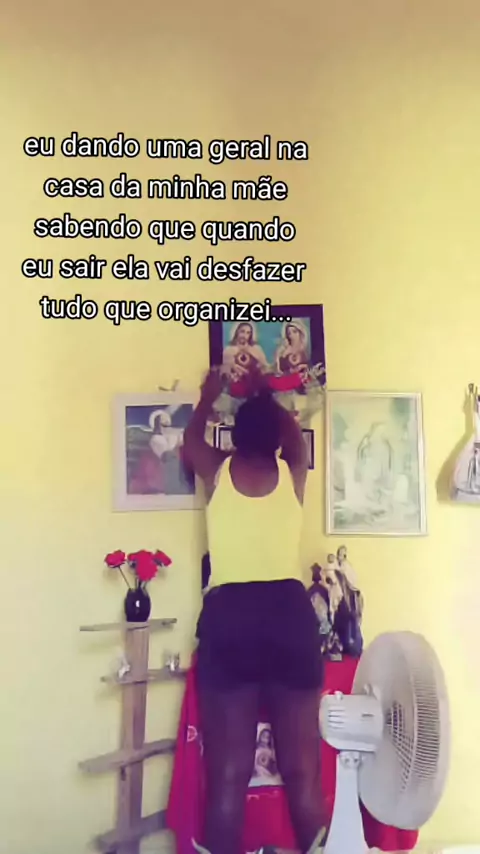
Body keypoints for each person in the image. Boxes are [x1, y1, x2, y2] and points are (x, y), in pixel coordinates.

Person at [184, 367, 325, 854]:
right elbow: (292, 435)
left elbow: (191, 440)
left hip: (231, 620)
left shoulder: (216, 473)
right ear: (276, 438)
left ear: (235, 437)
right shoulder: (294, 471)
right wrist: (268, 391)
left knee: (228, 776)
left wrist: (208, 396)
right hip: (289, 619)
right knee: (303, 773)